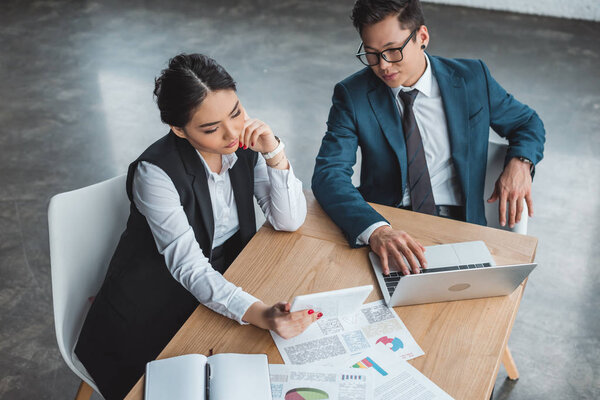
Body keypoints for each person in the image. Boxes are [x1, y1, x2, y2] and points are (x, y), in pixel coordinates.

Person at [75, 53, 319, 399]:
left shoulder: (246, 142)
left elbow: (288, 220)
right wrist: (260, 314)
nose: (232, 132)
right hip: (151, 305)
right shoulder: (155, 173)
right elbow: (188, 267)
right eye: (210, 128)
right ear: (179, 129)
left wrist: (274, 153)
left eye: (235, 112)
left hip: (222, 280)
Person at [312, 0, 545, 276]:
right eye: (372, 54)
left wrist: (520, 163)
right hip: (390, 224)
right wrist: (377, 230)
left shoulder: (471, 78)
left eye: (393, 50)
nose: (383, 66)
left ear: (422, 37)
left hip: (463, 226)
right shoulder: (353, 95)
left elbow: (527, 122)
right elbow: (329, 174)